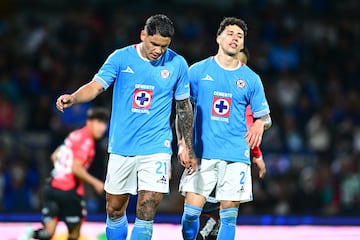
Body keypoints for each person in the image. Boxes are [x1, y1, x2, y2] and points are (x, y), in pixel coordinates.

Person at [55, 14, 196, 240]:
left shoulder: (177, 64)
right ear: (143, 35)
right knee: (114, 208)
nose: (159, 51)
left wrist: (185, 144)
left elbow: (183, 108)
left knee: (147, 207)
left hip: (156, 146)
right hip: (122, 146)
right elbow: (96, 86)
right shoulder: (120, 58)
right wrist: (73, 98)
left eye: (164, 46)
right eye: (154, 44)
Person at [178, 17, 272, 240]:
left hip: (236, 155)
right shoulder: (197, 71)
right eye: (230, 33)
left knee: (228, 217)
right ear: (218, 38)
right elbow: (182, 111)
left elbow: (265, 117)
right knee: (190, 214)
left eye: (240, 36)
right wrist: (183, 143)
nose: (235, 38)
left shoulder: (251, 79)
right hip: (202, 153)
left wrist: (260, 123)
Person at [196, 48, 266, 240]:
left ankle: (211, 227)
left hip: (233, 156)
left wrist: (257, 154)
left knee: (220, 207)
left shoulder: (246, 92)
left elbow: (249, 127)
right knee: (202, 205)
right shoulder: (208, 83)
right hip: (206, 153)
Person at [20, 107, 110, 240]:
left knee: (48, 233)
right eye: (99, 123)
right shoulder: (87, 141)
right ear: (89, 122)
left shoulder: (74, 135)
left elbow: (54, 156)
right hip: (69, 191)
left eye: (104, 124)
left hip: (51, 187)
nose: (102, 128)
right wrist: (96, 183)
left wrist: (62, 170)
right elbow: (76, 168)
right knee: (74, 234)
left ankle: (30, 234)